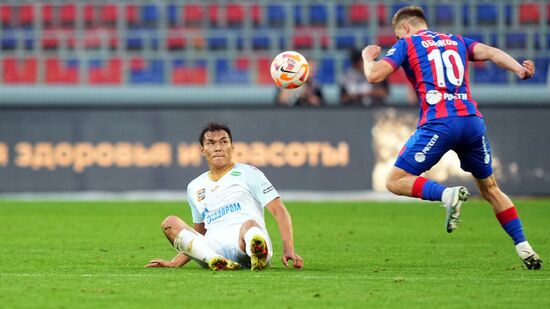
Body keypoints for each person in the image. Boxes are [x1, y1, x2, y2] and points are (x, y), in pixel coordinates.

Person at [362, 6, 542, 269]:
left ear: (406, 28)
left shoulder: (408, 43)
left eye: (399, 36)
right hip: (471, 122)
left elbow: (373, 75)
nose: (399, 41)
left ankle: (447, 195)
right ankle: (524, 247)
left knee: (394, 181)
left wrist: (368, 57)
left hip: (439, 123)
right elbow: (491, 53)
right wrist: (518, 69)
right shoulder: (456, 41)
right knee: (491, 188)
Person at [145, 122, 303, 271]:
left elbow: (279, 210)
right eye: (211, 143)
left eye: (223, 142)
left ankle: (257, 252)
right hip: (213, 248)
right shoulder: (194, 186)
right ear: (201, 150)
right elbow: (198, 234)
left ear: (232, 147)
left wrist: (288, 249)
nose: (218, 148)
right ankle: (216, 260)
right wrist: (176, 262)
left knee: (250, 225)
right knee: (170, 223)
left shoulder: (249, 173)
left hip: (243, 242)